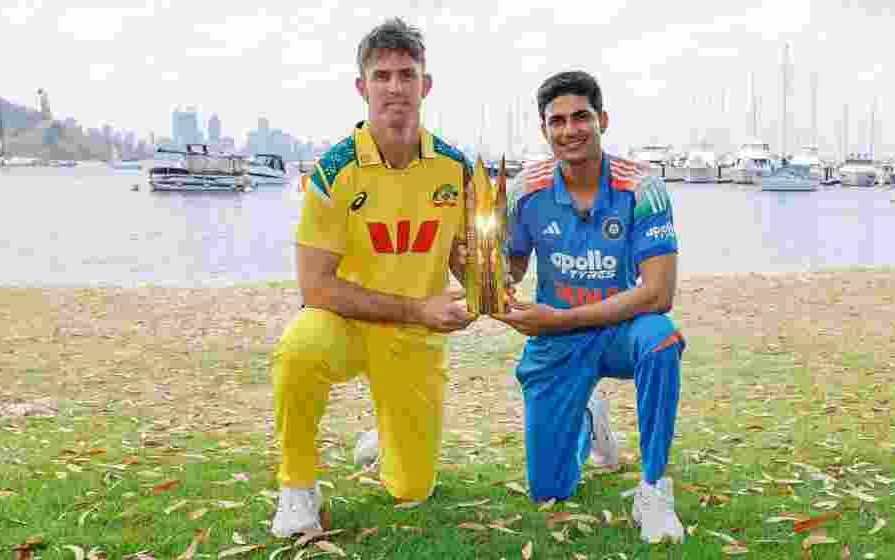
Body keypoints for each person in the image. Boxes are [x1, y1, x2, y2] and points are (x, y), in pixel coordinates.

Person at [270, 17, 476, 537]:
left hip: (416, 339)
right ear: (362, 88)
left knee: (412, 490)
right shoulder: (334, 170)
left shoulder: (457, 168)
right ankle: (297, 487)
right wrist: (418, 308)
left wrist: (488, 282)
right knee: (298, 348)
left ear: (425, 86)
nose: (395, 87)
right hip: (347, 324)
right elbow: (314, 287)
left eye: (407, 74)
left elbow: (465, 259)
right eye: (381, 75)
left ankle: (385, 437)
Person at [495, 71, 686, 544]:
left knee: (660, 336)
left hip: (619, 331)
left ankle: (654, 489)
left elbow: (658, 293)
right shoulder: (524, 190)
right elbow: (511, 271)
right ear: (544, 131)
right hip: (557, 342)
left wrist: (557, 319)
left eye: (581, 117)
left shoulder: (643, 187)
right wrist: (475, 266)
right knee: (549, 491)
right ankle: (586, 417)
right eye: (556, 121)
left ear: (602, 120)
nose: (569, 129)